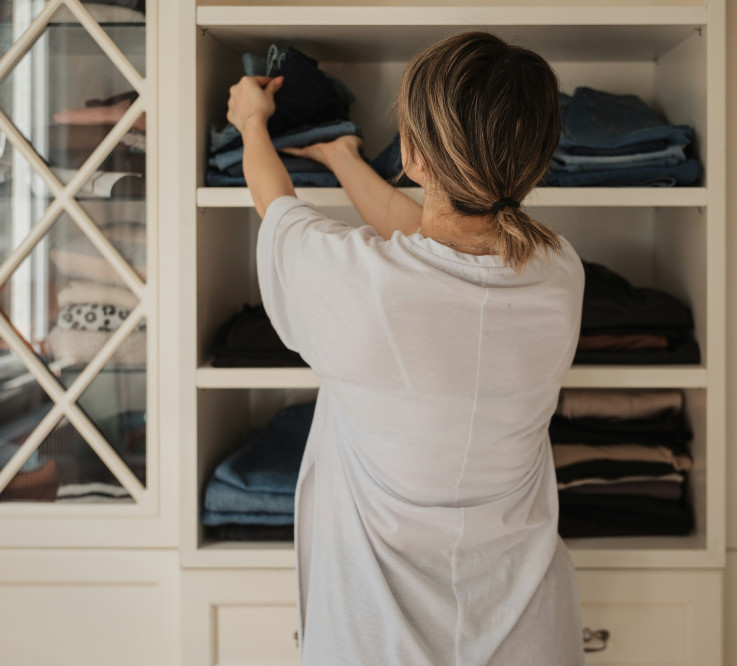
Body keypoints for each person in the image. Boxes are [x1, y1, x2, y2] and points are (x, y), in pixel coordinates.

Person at [227, 30, 586, 665]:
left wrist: (252, 123)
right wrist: (343, 159)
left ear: (413, 154)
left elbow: (276, 206)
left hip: (375, 641)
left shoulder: (355, 282)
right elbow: (440, 244)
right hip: (528, 631)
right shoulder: (558, 273)